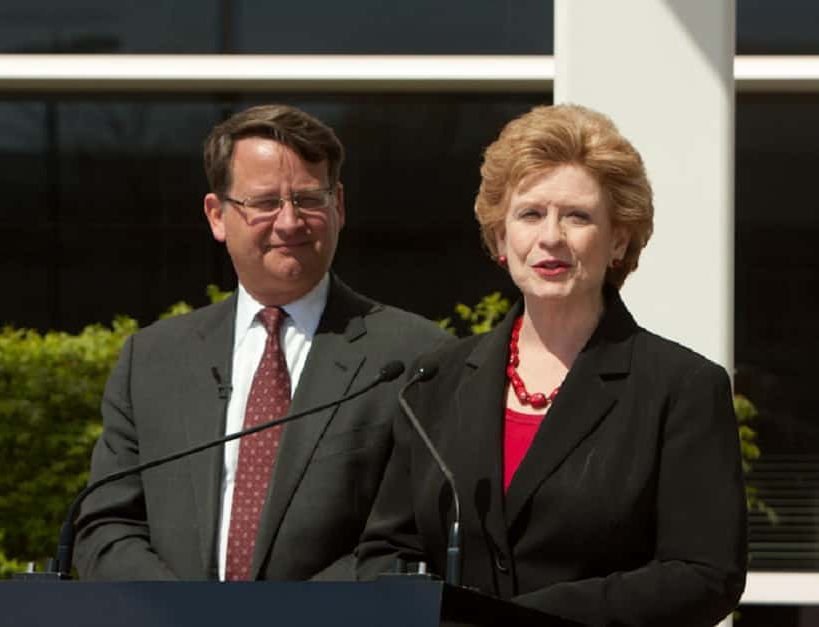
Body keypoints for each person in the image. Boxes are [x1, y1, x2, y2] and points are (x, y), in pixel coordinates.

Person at [356, 104, 747, 626]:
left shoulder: (681, 387)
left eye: (578, 216)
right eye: (531, 214)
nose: (551, 237)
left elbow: (704, 573)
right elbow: (387, 550)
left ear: (619, 240)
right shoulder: (436, 380)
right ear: (500, 238)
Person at [74, 104, 450, 581]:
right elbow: (107, 526)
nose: (290, 222)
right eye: (266, 202)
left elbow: (413, 537)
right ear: (217, 215)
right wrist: (189, 615)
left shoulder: (413, 356)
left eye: (310, 199)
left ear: (339, 207)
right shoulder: (152, 360)